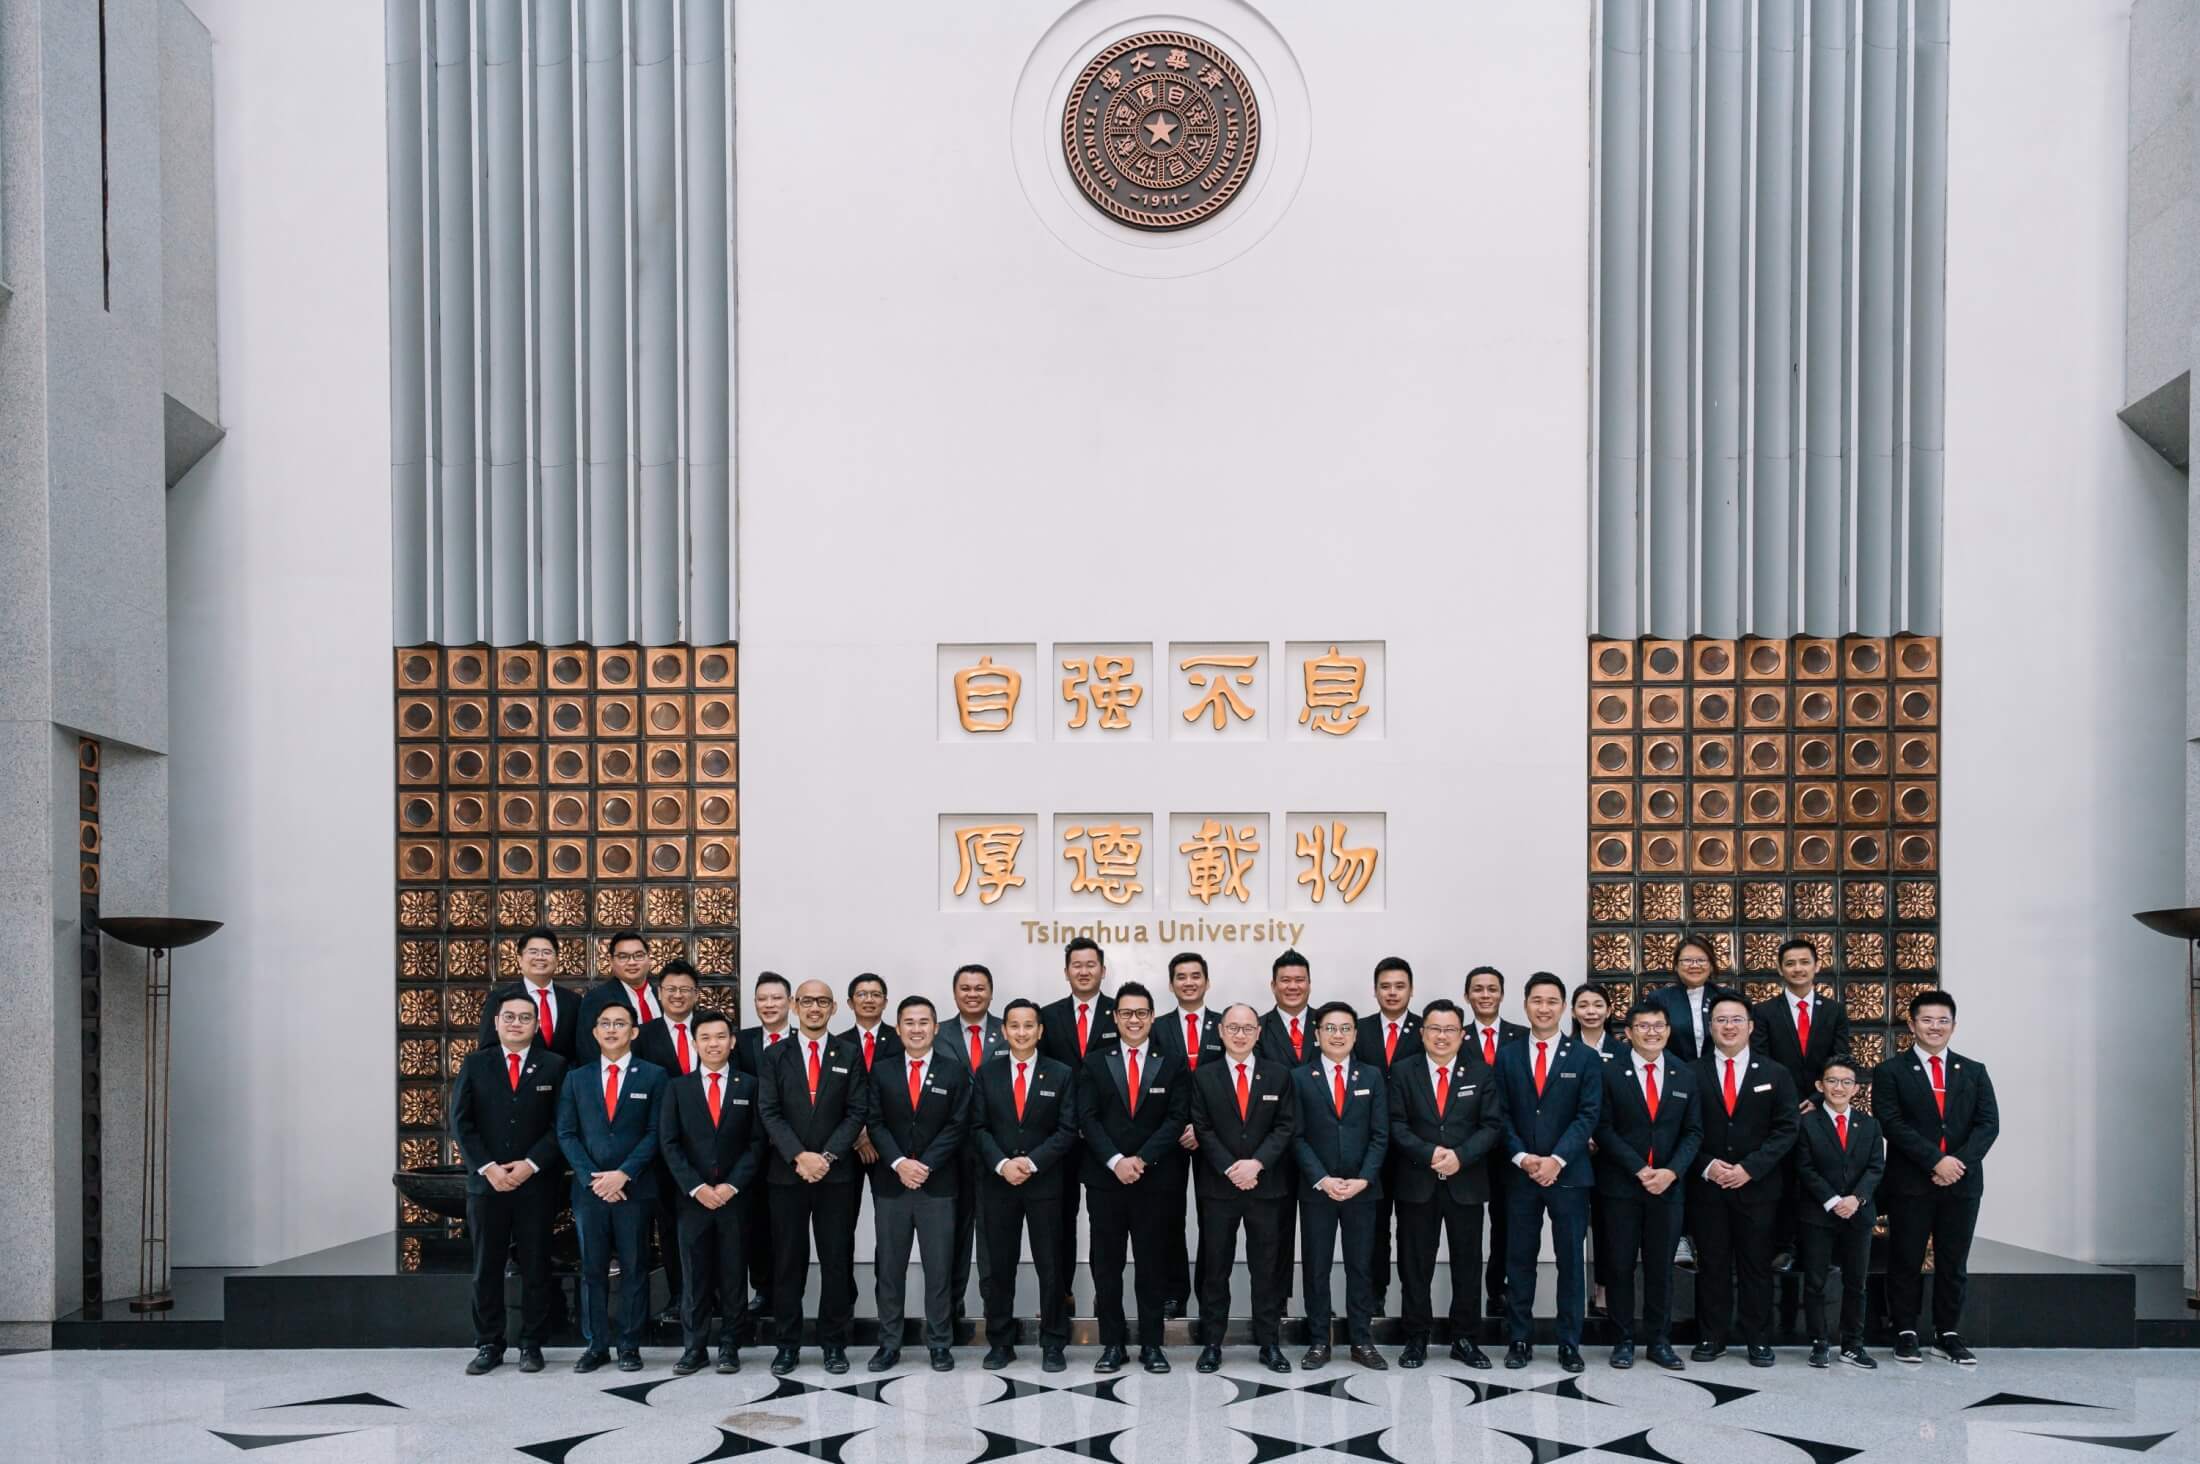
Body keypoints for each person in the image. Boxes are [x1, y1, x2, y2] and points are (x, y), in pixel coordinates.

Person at [1873, 989, 1997, 1366]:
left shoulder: (1973, 1071)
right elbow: (1891, 1123)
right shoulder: (1891, 1071)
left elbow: (1988, 1125)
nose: (1935, 1027)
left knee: (1953, 1262)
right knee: (1905, 1259)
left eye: (1943, 1020)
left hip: (1962, 1183)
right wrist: (1935, 1161)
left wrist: (1956, 1163)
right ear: (1912, 1025)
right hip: (1911, 1182)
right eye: (1927, 1020)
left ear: (1953, 1026)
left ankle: (1948, 1334)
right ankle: (1905, 1331)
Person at [757, 979, 873, 1376]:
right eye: (807, 1001)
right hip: (786, 1176)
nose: (814, 1008)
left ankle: (833, 1344)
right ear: (794, 1005)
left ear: (833, 1007)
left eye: (822, 1001)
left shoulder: (849, 1053)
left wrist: (825, 1157)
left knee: (836, 1261)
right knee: (788, 1262)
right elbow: (769, 1111)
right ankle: (787, 1345)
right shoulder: (774, 1055)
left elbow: (856, 1111)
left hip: (835, 1176)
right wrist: (798, 1156)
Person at [452, 991, 568, 1375]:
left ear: (537, 1025)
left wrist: (530, 1164)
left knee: (536, 1265)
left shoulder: (554, 1065)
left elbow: (561, 1125)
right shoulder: (475, 1064)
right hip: (487, 1185)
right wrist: (488, 1168)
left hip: (536, 1184)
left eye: (525, 1017)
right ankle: (489, 1342)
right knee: (487, 1267)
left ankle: (532, 1343)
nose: (517, 1023)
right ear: (497, 1022)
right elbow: (461, 1123)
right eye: (510, 1017)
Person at [1076, 981, 1188, 1375]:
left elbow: (1176, 1118)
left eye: (1141, 1013)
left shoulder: (1172, 1062)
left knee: (1152, 1265)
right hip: (1106, 1181)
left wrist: (1140, 1159)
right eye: (1126, 1013)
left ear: (1152, 1017)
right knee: (1106, 1266)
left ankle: (1152, 1345)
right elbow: (1087, 1118)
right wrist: (1115, 1160)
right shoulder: (1094, 1062)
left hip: (1155, 1180)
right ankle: (1113, 1344)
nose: (1134, 1020)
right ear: (1115, 1017)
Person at [1493, 972, 1601, 1374]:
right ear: (1525, 1005)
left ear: (1564, 1007)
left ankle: (1569, 1342)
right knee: (1519, 1259)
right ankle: (1519, 1339)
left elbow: (1588, 1114)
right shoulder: (1508, 1055)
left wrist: (1557, 1159)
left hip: (1569, 1175)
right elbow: (1500, 1113)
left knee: (1571, 1261)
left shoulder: (1584, 1057)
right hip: (1521, 1174)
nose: (1544, 1008)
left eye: (1552, 1001)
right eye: (1537, 1001)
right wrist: (1523, 1157)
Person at [1386, 997, 1502, 1369]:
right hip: (1417, 1183)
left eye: (1449, 1029)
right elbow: (1395, 1124)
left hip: (1465, 1183)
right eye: (1434, 1028)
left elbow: (1492, 1125)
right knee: (1414, 1264)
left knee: (1467, 1264)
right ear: (1422, 1032)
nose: (1441, 1036)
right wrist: (1430, 1153)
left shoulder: (1480, 1072)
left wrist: (1460, 1156)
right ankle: (1416, 1337)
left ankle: (1464, 1338)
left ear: (1462, 1034)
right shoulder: (1403, 1071)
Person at [555, 996, 669, 1372]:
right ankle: (596, 1344)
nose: (611, 1029)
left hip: (635, 1189)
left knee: (635, 1267)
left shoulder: (653, 1076)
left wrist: (624, 1173)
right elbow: (566, 1133)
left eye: (620, 1024)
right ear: (594, 1032)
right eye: (605, 1023)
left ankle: (630, 1345)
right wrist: (593, 1178)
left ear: (633, 1032)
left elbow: (656, 1132)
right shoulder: (576, 1078)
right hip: (590, 1192)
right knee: (592, 1268)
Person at [1688, 993, 1798, 1367]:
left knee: (1757, 1266)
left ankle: (1758, 1339)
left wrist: (1750, 1168)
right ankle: (1712, 1336)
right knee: (1712, 1265)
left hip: (1758, 1188)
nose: (1729, 1026)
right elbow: (1682, 1129)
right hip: (1708, 1187)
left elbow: (1787, 1129)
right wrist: (1707, 1166)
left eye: (1737, 1019)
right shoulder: (1691, 1072)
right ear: (1710, 1027)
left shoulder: (1776, 1073)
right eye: (1721, 1020)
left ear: (1750, 1026)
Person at [866, 995, 974, 1373]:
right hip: (892, 1184)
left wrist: (924, 1164)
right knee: (889, 1269)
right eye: (909, 1022)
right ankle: (888, 1343)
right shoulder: (882, 1070)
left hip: (937, 1184)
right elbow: (875, 1122)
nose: (916, 1029)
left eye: (923, 1022)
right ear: (898, 1029)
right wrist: (899, 1163)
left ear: (936, 1027)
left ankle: (940, 1343)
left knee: (939, 1269)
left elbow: (958, 1125)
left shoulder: (953, 1071)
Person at [1188, 1001, 1297, 1375]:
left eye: (1247, 1028)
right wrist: (1231, 1168)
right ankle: (1212, 1344)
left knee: (1266, 1268)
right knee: (1215, 1268)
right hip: (1219, 1188)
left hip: (1266, 1187)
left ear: (1258, 1033)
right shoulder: (1204, 1076)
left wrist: (1257, 1164)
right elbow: (1202, 1128)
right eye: (1232, 1027)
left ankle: (1269, 1343)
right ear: (1220, 1032)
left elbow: (1285, 1126)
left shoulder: (1278, 1075)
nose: (1240, 1034)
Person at [1592, 1002, 1700, 1372]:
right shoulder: (1609, 1072)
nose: (1651, 1032)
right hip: (1621, 1186)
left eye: (1658, 1026)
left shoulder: (1685, 1074)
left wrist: (1671, 1172)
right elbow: (1602, 1127)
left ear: (1668, 1031)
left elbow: (1693, 1132)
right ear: (1629, 1033)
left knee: (1661, 1268)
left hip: (1668, 1189)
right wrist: (1639, 1168)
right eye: (1643, 1026)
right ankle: (1622, 1340)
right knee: (1620, 1265)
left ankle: (1659, 1341)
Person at [973, 998, 1077, 1373]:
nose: (1021, 1032)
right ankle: (1001, 1343)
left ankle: (1053, 1343)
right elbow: (977, 1127)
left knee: (1051, 1266)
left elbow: (1067, 1130)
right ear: (1004, 1030)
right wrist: (1003, 1164)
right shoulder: (987, 1073)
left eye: (1028, 1025)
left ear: (1040, 1031)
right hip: (998, 1184)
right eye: (1014, 1025)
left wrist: (1031, 1163)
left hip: (1044, 1184)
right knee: (1000, 1267)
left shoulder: (1061, 1073)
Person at [656, 1009, 763, 1376]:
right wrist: (697, 1187)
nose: (713, 1044)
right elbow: (669, 1143)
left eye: (720, 1037)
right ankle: (695, 1347)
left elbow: (757, 1143)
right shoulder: (677, 1087)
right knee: (694, 1276)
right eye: (705, 1037)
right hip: (693, 1201)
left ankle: (731, 1345)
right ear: (695, 1043)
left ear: (732, 1042)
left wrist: (731, 1185)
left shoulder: (750, 1086)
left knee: (734, 1274)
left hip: (736, 1199)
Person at [1292, 1000, 1391, 1371]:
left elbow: (1380, 1135)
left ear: (1355, 1034)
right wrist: (1322, 1179)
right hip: (1317, 1190)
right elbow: (1296, 1135)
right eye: (1330, 1028)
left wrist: (1363, 1179)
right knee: (1316, 1267)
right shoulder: (1300, 1077)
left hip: (1362, 1190)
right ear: (1317, 1035)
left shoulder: (1372, 1076)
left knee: (1360, 1267)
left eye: (1345, 1028)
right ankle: (1319, 1341)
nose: (1338, 1035)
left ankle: (1362, 1340)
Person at [1751, 937, 1851, 1272]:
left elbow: (1840, 1058)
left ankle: (1821, 1251)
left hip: (1823, 1107)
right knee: (1786, 1179)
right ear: (1780, 969)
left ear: (1817, 966)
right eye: (1790, 963)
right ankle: (1786, 1247)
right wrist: (1790, 1103)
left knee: (1823, 1176)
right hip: (1781, 1111)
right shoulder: (1764, 1012)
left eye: (1804, 962)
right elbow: (1762, 1061)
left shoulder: (1834, 1011)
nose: (1798, 969)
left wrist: (1818, 1097)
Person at [1040, 937, 1116, 1316]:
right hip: (1062, 1137)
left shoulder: (1121, 1013)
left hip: (1108, 1136)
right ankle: (1061, 1292)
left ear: (1103, 970)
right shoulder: (1048, 1016)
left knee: (1107, 1221)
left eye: (1091, 965)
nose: (1084, 971)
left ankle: (1107, 1295)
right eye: (1077, 965)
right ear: (1066, 971)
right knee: (1059, 1217)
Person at [1795, 1056, 1883, 1369]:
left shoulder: (1870, 1124)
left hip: (1858, 1214)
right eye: (1832, 1081)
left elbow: (1876, 1167)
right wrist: (1833, 1200)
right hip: (1818, 1214)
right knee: (1816, 1281)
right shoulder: (1806, 1123)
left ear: (1856, 1088)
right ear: (1820, 1085)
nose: (1839, 1087)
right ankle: (1819, 1342)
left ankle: (1853, 1344)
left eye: (1846, 1082)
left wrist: (1856, 1199)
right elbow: (1804, 1167)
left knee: (1856, 1283)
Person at [1149, 951, 1223, 1321]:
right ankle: (1173, 1293)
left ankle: (1210, 1292)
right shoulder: (1157, 1027)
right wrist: (1179, 1125)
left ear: (1207, 982)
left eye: (1196, 976)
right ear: (1171, 984)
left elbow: (1231, 1083)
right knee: (1168, 1216)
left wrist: (1202, 1126)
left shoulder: (1225, 1025)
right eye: (1181, 976)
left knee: (1213, 1217)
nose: (1189, 982)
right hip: (1171, 1136)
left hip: (1215, 1136)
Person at [935, 963, 1005, 1325]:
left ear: (991, 993)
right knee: (952, 1232)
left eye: (980, 988)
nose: (972, 994)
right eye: (965, 988)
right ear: (954, 993)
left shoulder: (1008, 1030)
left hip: (996, 1148)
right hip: (950, 1150)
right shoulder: (938, 1032)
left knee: (992, 1233)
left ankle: (995, 1309)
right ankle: (950, 1307)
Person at [636, 959, 705, 1322]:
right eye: (671, 989)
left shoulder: (713, 1028)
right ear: (659, 993)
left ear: (697, 994)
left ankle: (712, 1294)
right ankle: (679, 1295)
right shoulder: (643, 1035)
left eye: (685, 989)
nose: (678, 995)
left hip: (711, 1146)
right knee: (670, 1224)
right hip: (663, 1147)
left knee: (714, 1222)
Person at [1355, 956, 1421, 1316]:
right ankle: (1373, 1296)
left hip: (1414, 1148)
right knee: (1373, 1227)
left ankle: (1413, 1301)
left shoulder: (1427, 1028)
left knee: (1412, 1230)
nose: (1392, 993)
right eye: (1385, 986)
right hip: (1369, 1146)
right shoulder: (1359, 1030)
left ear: (1411, 989)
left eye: (1399, 986)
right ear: (1375, 990)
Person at [1464, 964, 1526, 1319]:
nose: (1485, 995)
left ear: (1502, 994)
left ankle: (1498, 1288)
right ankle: (1469, 1293)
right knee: (1468, 1223)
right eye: (1478, 989)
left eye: (1491, 989)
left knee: (1507, 1220)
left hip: (1510, 1145)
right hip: (1468, 1145)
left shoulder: (1521, 1036)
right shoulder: (1455, 1035)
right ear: (1467, 995)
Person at [1258, 949, 1319, 1301]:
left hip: (1320, 1145)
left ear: (1309, 984)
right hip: (1274, 1148)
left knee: (1317, 1233)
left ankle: (1317, 1306)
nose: (1293, 986)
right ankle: (1276, 1304)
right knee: (1275, 1232)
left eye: (1299, 980)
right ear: (1273, 985)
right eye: (1285, 980)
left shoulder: (1329, 1025)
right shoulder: (1258, 1028)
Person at [736, 970, 795, 1327]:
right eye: (762, 999)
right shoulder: (741, 1042)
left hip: (793, 1147)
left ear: (790, 1002)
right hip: (752, 1145)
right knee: (756, 1220)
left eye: (776, 998)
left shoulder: (804, 1040)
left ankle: (790, 1290)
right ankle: (763, 1288)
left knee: (788, 1226)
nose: (769, 1004)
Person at [1571, 982, 1623, 1319]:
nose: (1591, 1011)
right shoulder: (1564, 1048)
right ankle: (1574, 1290)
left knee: (1608, 1224)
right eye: (1583, 1005)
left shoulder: (1623, 1051)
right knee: (1573, 1224)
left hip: (1611, 1153)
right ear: (1573, 1011)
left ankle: (1603, 1288)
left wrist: (1602, 1136)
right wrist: (1580, 1137)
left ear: (1609, 1010)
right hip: (1571, 1151)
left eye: (1597, 1005)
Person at [842, 972, 900, 1237]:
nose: (869, 1000)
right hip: (846, 1146)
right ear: (850, 1002)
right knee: (842, 1224)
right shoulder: (837, 1043)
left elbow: (901, 1095)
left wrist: (873, 1133)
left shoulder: (901, 1040)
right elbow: (833, 1097)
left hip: (887, 1145)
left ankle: (883, 1269)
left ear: (885, 1002)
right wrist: (857, 1134)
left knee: (888, 1225)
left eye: (876, 995)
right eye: (862, 994)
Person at [477, 927, 581, 1062]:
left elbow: (580, 1049)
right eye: (533, 952)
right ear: (520, 959)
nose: (540, 957)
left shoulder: (574, 1001)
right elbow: (488, 1048)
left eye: (547, 952)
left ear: (556, 960)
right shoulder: (500, 998)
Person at [575, 930, 660, 1063]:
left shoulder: (662, 995)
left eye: (638, 955)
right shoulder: (596, 998)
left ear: (649, 958)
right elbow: (588, 1049)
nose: (632, 962)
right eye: (623, 957)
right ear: (611, 961)